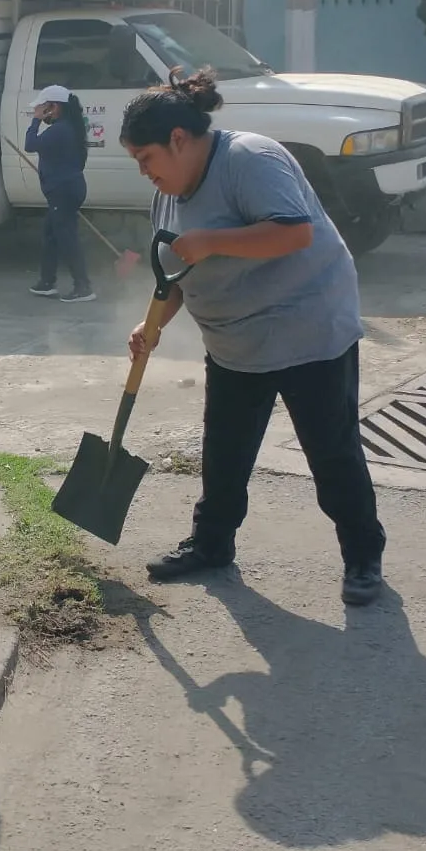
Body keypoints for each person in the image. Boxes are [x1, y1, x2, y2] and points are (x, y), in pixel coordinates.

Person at [122, 67, 386, 606]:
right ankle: (212, 544)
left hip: (307, 331)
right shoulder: (168, 194)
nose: (145, 172)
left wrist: (212, 241)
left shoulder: (249, 159)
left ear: (178, 139)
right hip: (234, 342)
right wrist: (149, 327)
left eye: (146, 159)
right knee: (225, 451)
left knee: (331, 452)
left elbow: (294, 231)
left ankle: (363, 555)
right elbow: (175, 271)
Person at [25, 85, 95, 304]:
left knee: (67, 239)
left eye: (43, 108)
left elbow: (30, 144)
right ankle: (47, 282)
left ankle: (82, 286)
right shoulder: (69, 127)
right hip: (66, 189)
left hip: (63, 191)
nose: (41, 112)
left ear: (54, 107)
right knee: (51, 235)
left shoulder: (61, 130)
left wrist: (36, 120)